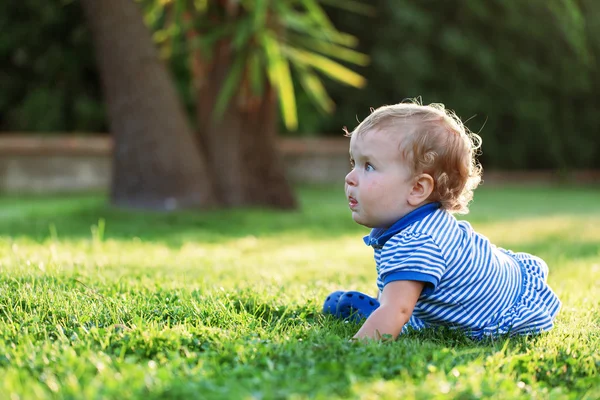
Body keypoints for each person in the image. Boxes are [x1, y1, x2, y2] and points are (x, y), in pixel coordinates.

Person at [322, 101, 561, 340]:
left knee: (395, 312)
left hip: (496, 315)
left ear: (417, 188)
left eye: (369, 166)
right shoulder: (416, 223)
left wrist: (356, 346)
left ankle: (377, 312)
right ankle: (378, 307)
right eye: (354, 163)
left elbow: (399, 309)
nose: (350, 178)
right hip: (503, 287)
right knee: (387, 300)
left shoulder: (417, 240)